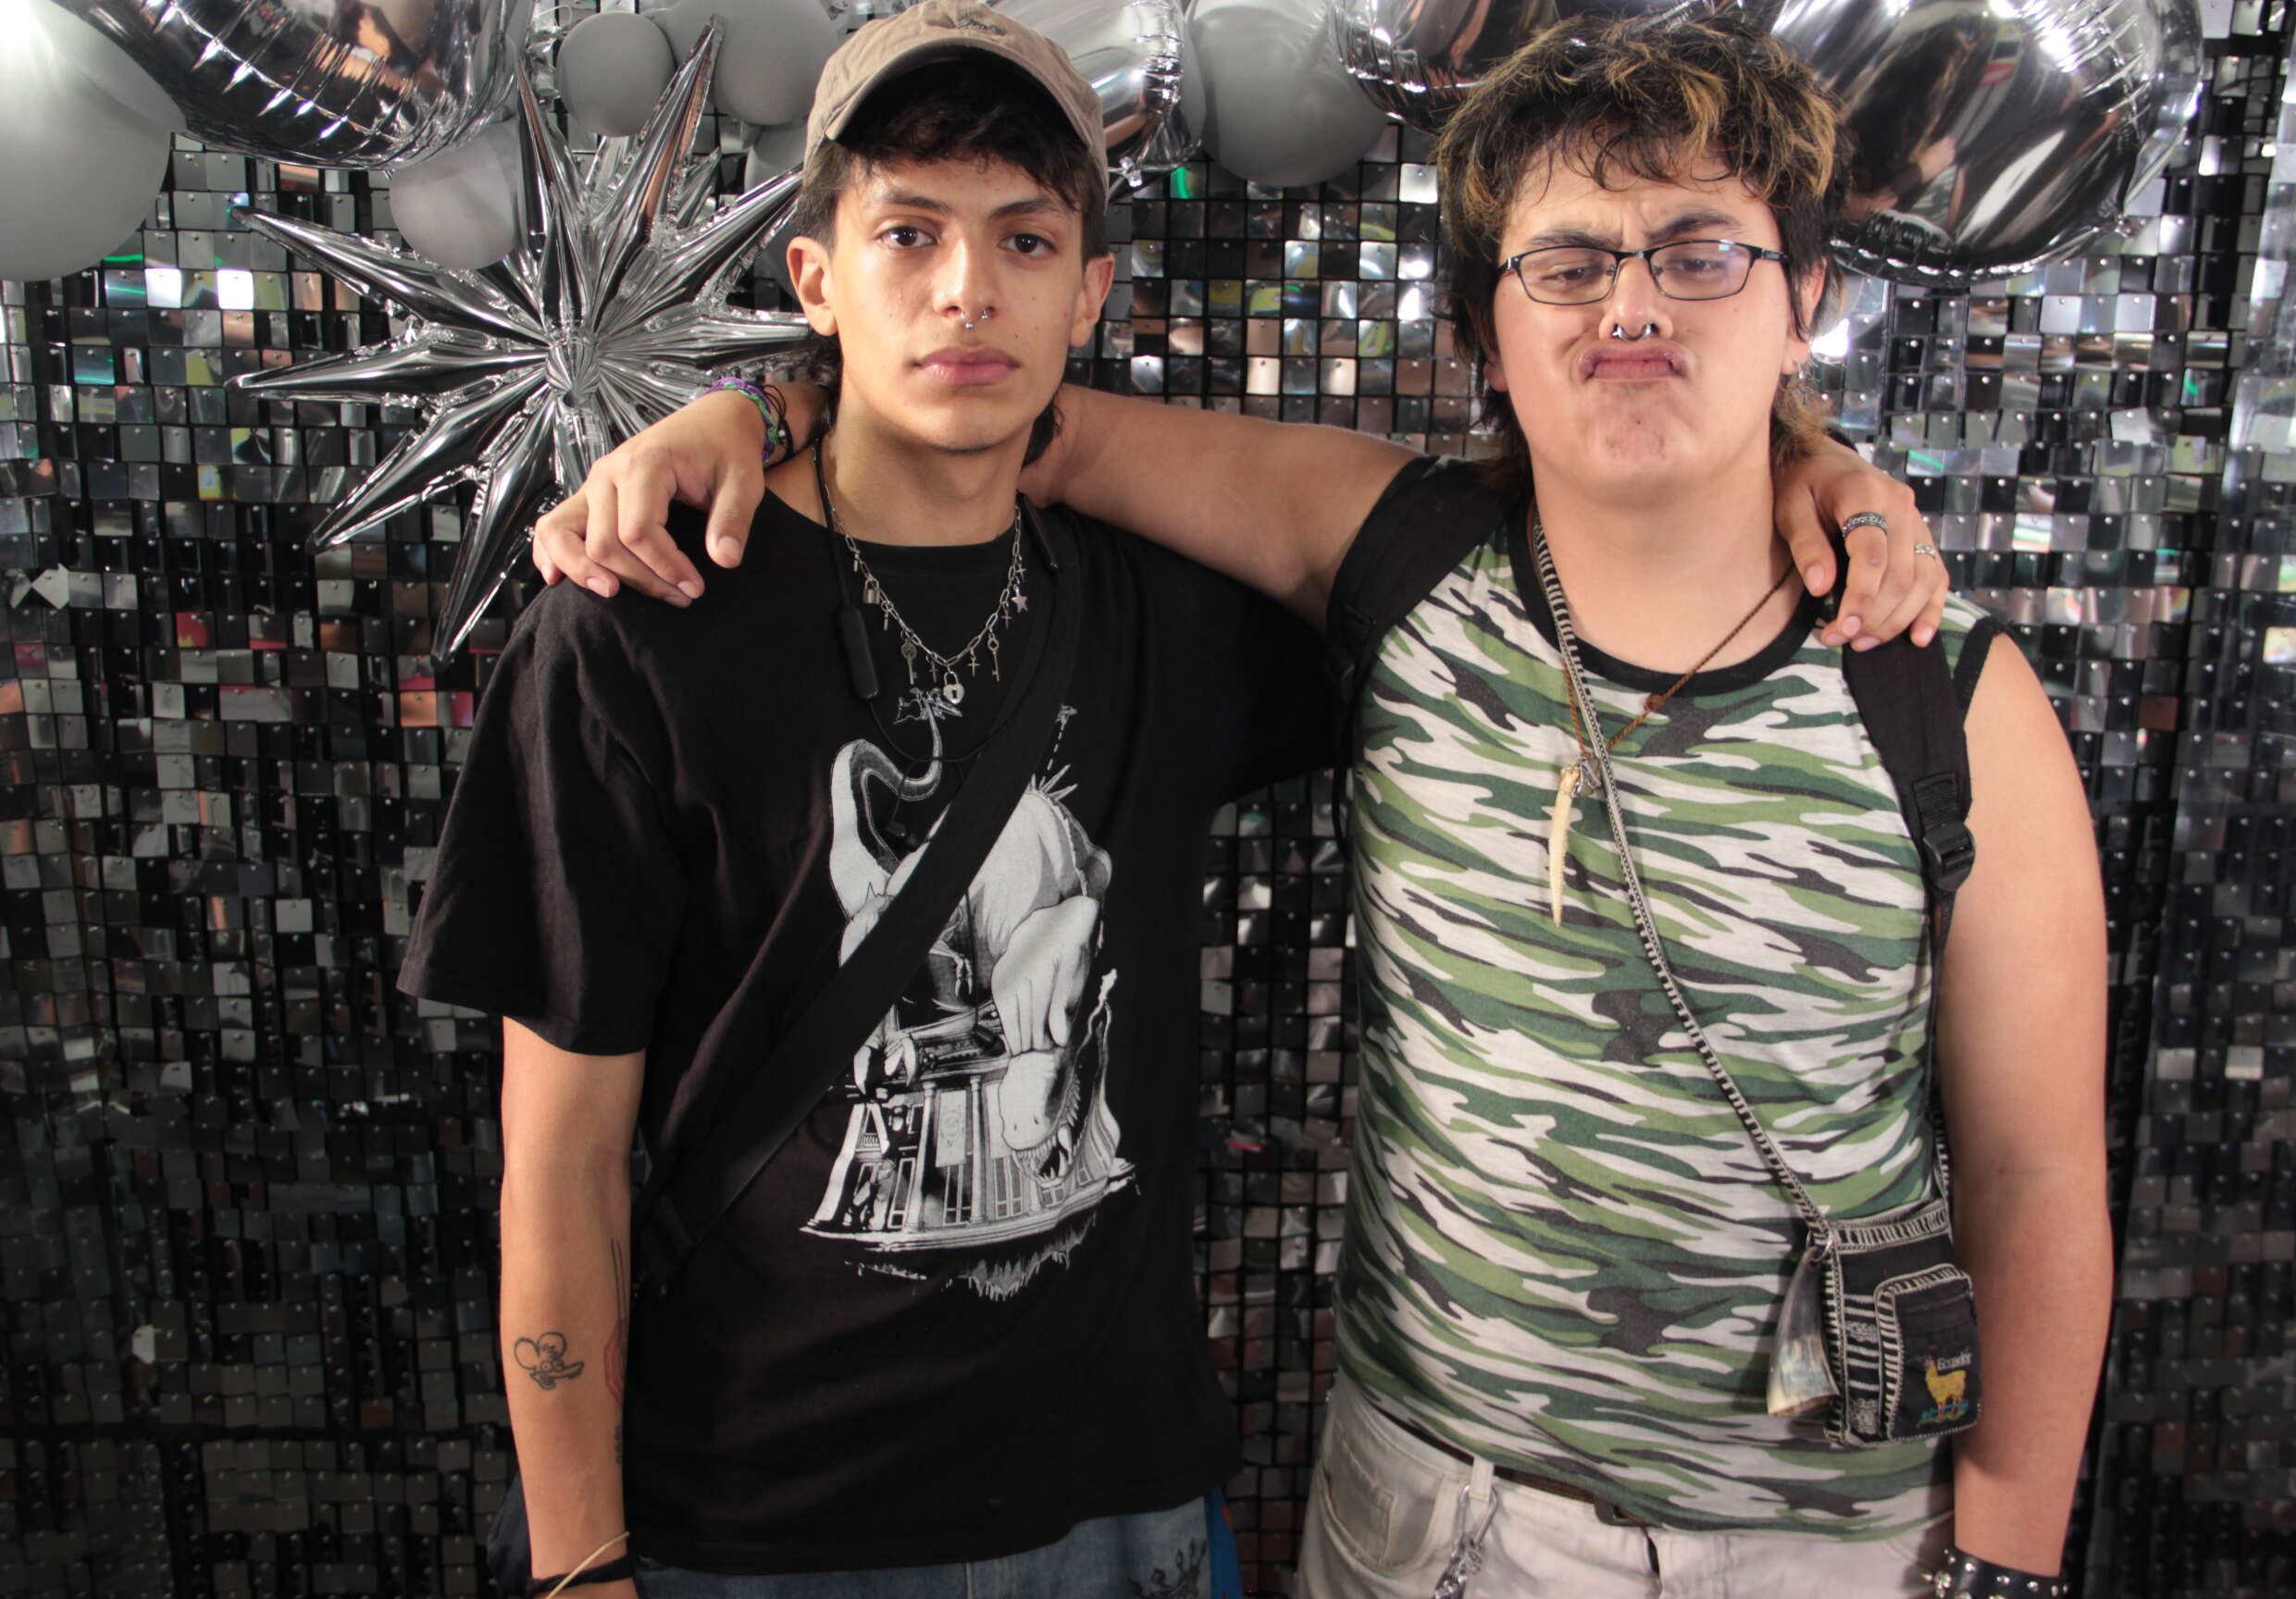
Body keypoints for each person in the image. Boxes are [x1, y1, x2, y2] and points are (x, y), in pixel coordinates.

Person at [520, 19, 2057, 1599]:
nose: (1634, 307)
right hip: (1338, 1519)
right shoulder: (1399, 567)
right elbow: (992, 421)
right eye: (1570, 265)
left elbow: (2036, 1177)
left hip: (1783, 1535)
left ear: (1807, 300)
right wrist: (749, 408)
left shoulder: (1932, 691)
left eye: (1701, 255)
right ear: (1485, 324)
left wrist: (1822, 467)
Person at [402, 7, 1333, 1596]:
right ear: (814, 278)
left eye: (1025, 240)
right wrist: (577, 1566)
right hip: (748, 1528)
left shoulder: (1166, 615)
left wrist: (1786, 460)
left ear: (1090, 292)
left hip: (1113, 1518)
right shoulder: (635, 631)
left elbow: (1467, 556)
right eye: (907, 233)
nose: (967, 289)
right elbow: (559, 1165)